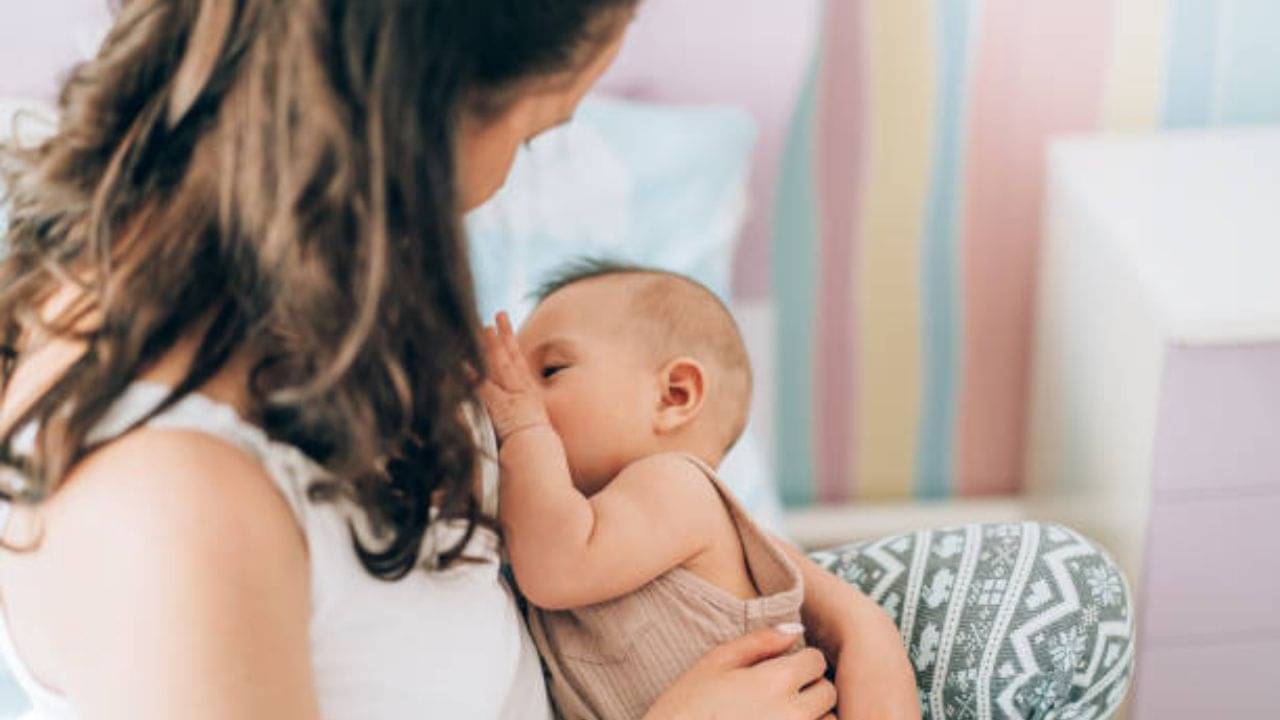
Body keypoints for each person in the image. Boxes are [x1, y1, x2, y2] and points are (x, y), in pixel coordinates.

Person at [0, 1, 919, 717]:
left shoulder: (327, 286)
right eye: (527, 133)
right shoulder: (169, 503)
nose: (498, 186)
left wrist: (845, 617)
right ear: (404, 114)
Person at [478, 261, 844, 719]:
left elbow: (556, 567)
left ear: (674, 395)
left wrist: (524, 427)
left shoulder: (678, 485)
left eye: (550, 370)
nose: (520, 394)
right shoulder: (574, 518)